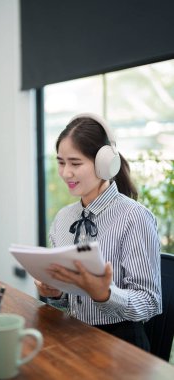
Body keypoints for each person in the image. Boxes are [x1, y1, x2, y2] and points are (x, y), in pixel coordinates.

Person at [34, 113, 162, 351]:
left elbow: (150, 302)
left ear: (105, 164)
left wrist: (105, 294)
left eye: (75, 163)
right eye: (61, 162)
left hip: (122, 345)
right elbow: (67, 299)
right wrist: (56, 290)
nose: (65, 173)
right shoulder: (63, 219)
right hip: (74, 335)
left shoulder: (134, 217)